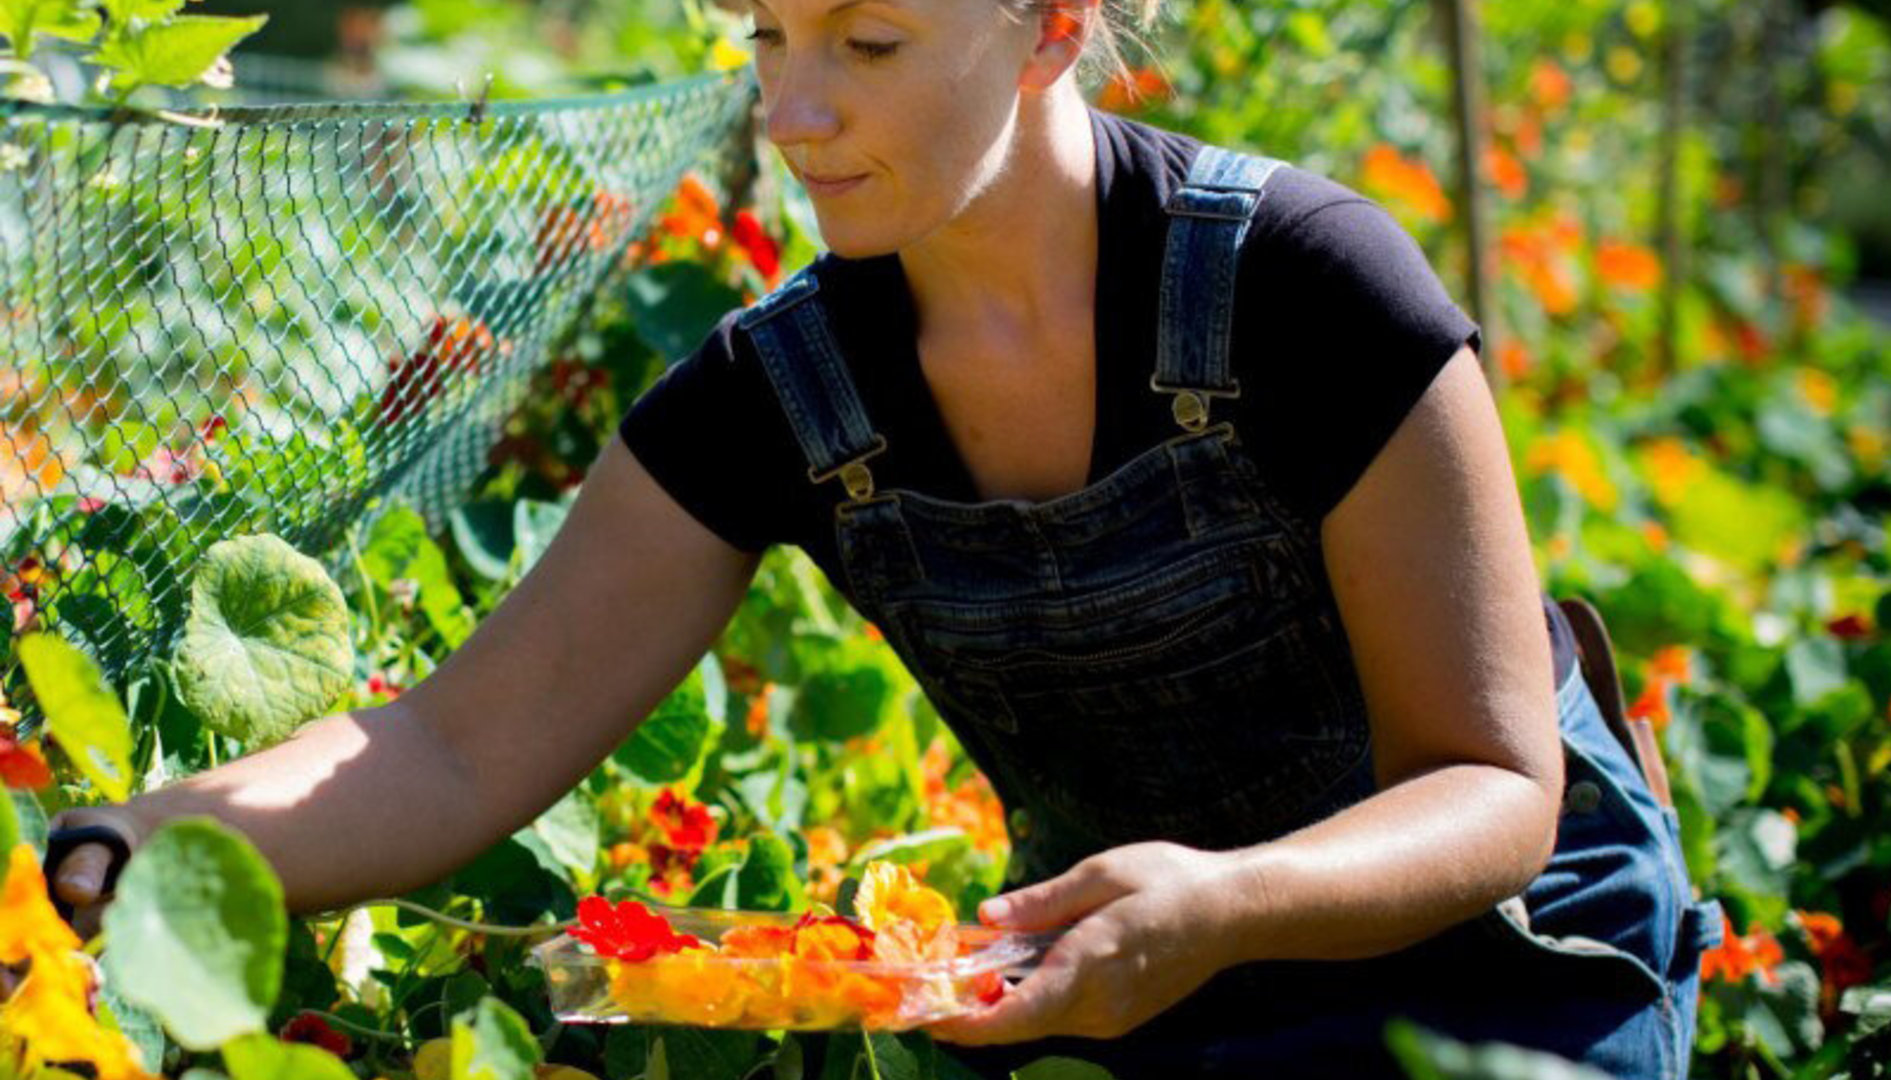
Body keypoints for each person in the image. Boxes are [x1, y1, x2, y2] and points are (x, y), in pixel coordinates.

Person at [30, 1, 1721, 1077]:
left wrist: (1224, 904)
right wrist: (106, 842)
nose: (795, 108)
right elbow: (454, 747)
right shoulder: (785, 390)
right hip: (1126, 973)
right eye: (769, 35)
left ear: (1053, 27)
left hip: (1503, 969)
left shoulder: (1307, 284)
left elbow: (1498, 786)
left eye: (870, 43)